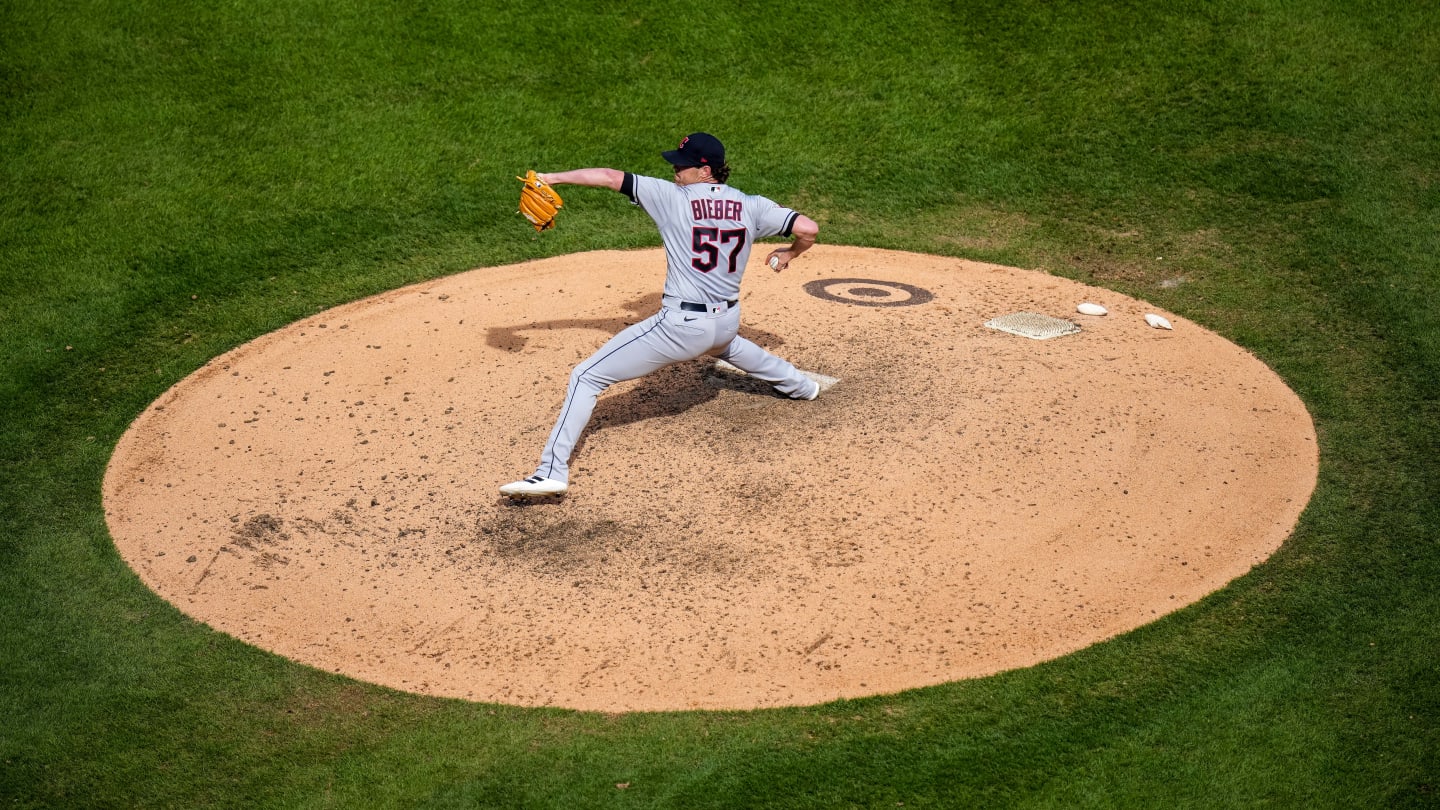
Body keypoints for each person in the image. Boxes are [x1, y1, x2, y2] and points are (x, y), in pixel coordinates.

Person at [500, 132, 822, 498]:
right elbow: (808, 229)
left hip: (682, 328)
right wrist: (790, 254)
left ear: (704, 170)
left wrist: (551, 178)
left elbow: (608, 177)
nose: (674, 170)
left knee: (586, 377)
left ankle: (549, 472)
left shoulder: (671, 198)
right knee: (725, 344)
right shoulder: (752, 205)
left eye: (681, 165)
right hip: (726, 321)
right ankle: (800, 385)